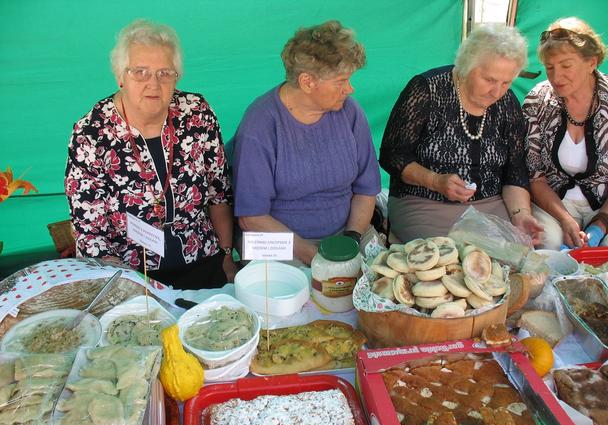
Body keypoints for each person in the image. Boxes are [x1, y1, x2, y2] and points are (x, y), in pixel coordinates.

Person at [65, 19, 236, 289]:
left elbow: (219, 192)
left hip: (202, 257)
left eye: (165, 72)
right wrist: (124, 287)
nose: (153, 83)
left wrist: (226, 255)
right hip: (130, 273)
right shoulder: (91, 134)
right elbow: (90, 232)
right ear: (120, 76)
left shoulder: (197, 113)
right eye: (140, 72)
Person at [232, 20, 381, 265]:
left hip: (346, 236)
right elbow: (253, 218)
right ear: (307, 82)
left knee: (383, 287)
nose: (350, 89)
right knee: (297, 298)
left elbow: (366, 190)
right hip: (281, 245)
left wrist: (351, 241)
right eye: (341, 81)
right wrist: (317, 258)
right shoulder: (261, 123)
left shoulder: (350, 112)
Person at [380, 24, 542, 244]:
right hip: (424, 204)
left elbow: (516, 172)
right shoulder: (427, 89)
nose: (498, 91)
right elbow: (393, 156)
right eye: (490, 80)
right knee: (449, 263)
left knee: (514, 262)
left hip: (490, 207)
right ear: (466, 66)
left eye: (507, 82)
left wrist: (520, 215)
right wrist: (435, 181)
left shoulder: (507, 103)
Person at [523, 17, 608, 250]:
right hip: (554, 204)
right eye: (549, 67)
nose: (556, 77)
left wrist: (599, 226)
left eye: (566, 65)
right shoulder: (537, 101)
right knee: (546, 245)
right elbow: (535, 177)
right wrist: (565, 220)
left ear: (591, 62)